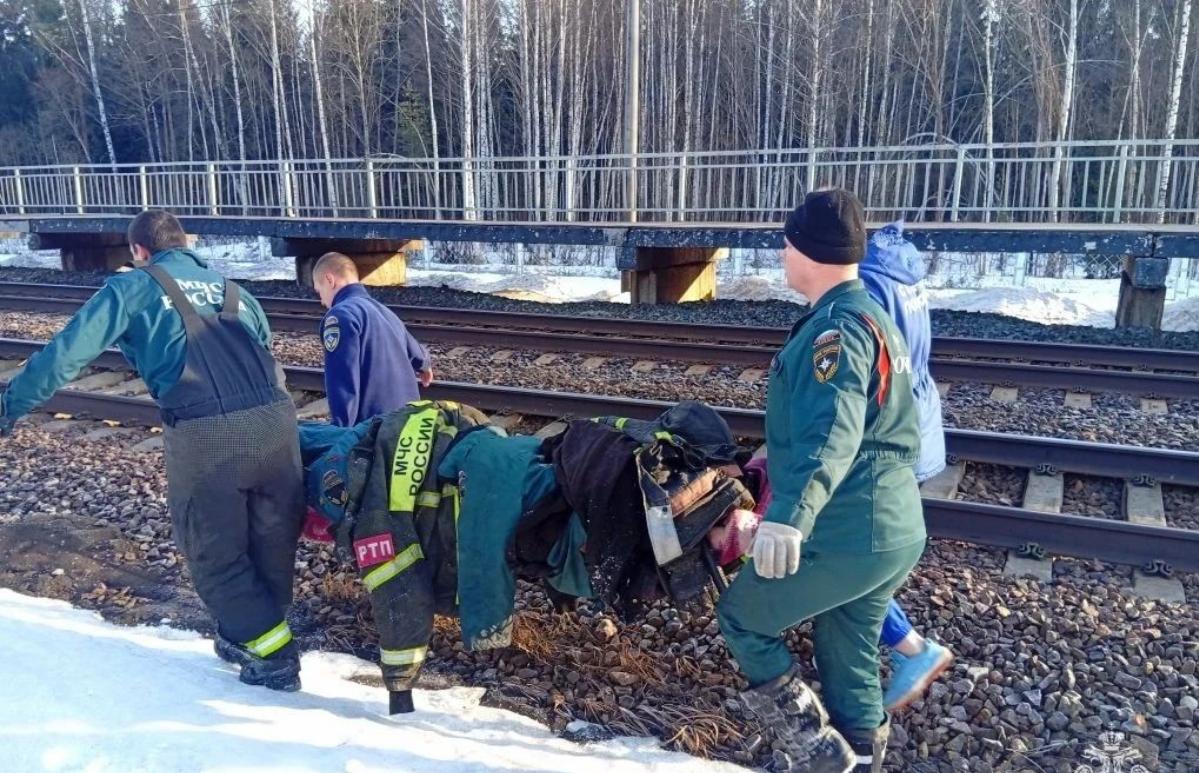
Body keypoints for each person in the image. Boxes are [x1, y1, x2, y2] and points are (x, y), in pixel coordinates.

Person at [0, 210, 306, 691]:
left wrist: (9, 406)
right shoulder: (235, 292)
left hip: (209, 435)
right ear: (185, 244)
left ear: (139, 251)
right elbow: (264, 350)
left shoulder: (131, 289)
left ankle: (273, 655)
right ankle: (248, 631)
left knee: (212, 549)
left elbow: (65, 355)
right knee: (271, 536)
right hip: (277, 422)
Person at [716, 189, 927, 773]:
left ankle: (815, 751)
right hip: (892, 526)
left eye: (786, 245)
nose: (782, 255)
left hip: (850, 524)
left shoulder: (837, 331)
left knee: (743, 616)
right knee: (847, 644)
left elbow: (831, 431)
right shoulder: (869, 313)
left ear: (807, 251)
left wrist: (790, 516)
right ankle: (861, 755)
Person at [859, 222, 954, 711]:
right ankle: (897, 638)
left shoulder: (867, 279)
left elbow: (869, 361)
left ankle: (910, 648)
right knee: (870, 550)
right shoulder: (900, 266)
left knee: (852, 556)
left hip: (893, 426)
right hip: (919, 413)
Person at [312, 252, 432, 427]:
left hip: (375, 430)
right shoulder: (384, 311)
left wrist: (339, 432)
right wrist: (425, 366)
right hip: (408, 423)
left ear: (330, 279)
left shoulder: (340, 316)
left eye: (319, 291)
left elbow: (344, 381)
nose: (321, 301)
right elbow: (415, 350)